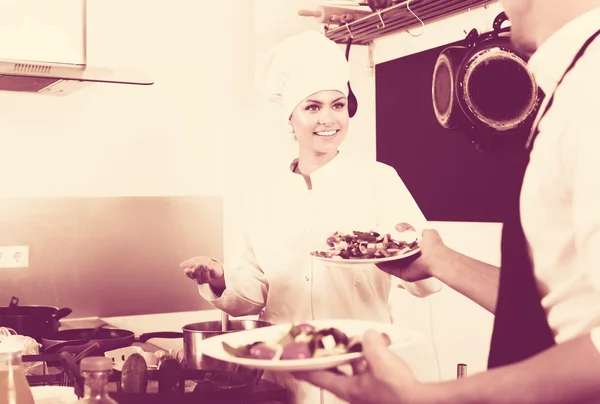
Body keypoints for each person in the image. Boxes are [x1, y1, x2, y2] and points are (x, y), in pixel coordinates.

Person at [294, 0, 600, 402]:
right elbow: (555, 307)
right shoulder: (572, 87)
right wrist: (440, 259)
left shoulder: (590, 94)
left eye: (335, 105)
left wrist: (428, 397)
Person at [179, 30, 442, 403]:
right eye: (312, 107)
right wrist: (220, 279)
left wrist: (415, 256)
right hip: (285, 373)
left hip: (362, 364)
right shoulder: (257, 197)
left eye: (337, 105)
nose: (328, 119)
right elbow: (251, 298)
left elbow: (426, 280)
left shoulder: (379, 180)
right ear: (290, 118)